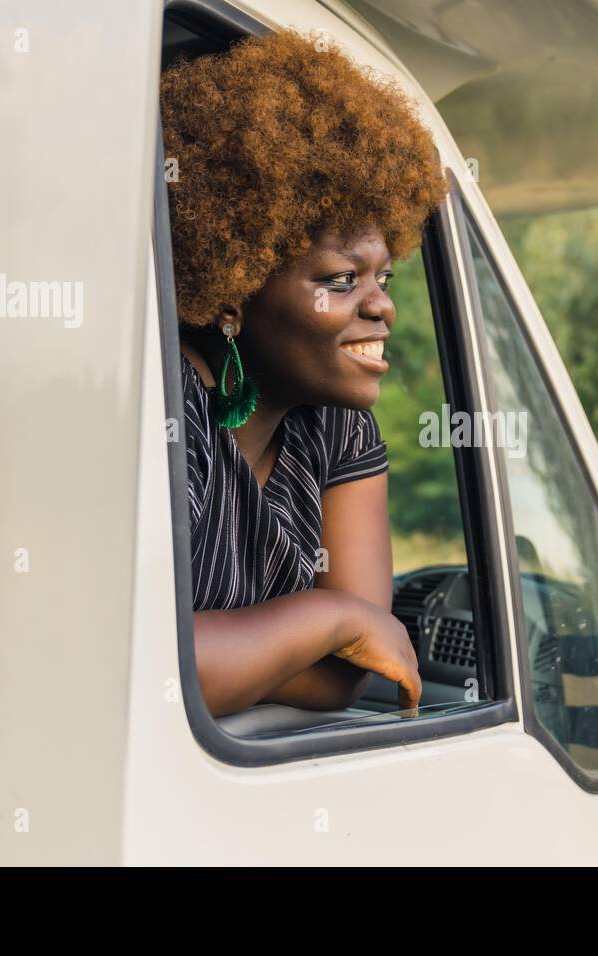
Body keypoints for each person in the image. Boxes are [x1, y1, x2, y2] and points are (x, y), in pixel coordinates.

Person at [160, 29, 449, 718]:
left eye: (383, 275)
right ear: (232, 283)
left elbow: (349, 675)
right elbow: (152, 665)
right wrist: (332, 622)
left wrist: (262, 649)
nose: (383, 306)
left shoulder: (342, 428)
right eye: (341, 279)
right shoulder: (166, 408)